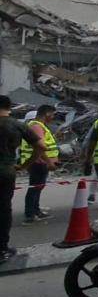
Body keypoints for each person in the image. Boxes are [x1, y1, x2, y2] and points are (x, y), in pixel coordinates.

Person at [2, 96, 45, 262]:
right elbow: (41, 147)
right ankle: (2, 248)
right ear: (9, 107)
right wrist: (24, 165)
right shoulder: (16, 125)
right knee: (4, 209)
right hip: (6, 171)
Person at [21, 105, 59, 222]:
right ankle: (30, 214)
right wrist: (49, 162)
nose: (53, 117)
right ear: (47, 114)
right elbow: (40, 147)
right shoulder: (37, 126)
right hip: (38, 163)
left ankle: (35, 211)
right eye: (53, 115)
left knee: (37, 188)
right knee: (34, 188)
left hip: (38, 163)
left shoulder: (38, 126)